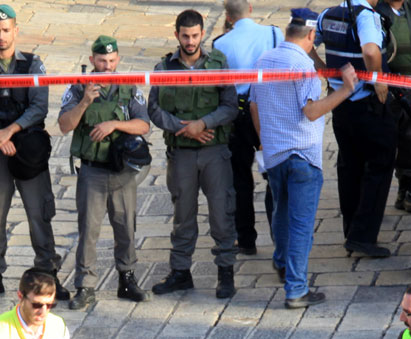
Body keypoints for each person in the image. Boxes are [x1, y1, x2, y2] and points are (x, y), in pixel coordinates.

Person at [250, 9, 357, 309]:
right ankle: (296, 289)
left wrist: (265, 141)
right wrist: (346, 90)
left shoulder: (264, 60)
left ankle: (282, 262)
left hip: (275, 155)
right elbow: (311, 111)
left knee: (280, 213)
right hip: (302, 157)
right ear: (311, 36)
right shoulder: (304, 67)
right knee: (300, 224)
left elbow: (254, 107)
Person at [0, 4, 69, 302]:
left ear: (16, 30)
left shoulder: (33, 65)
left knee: (39, 212)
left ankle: (48, 272)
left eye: (6, 30)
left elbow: (39, 107)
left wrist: (9, 131)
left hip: (27, 150)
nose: (1, 36)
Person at [148, 9, 240, 300]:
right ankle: (180, 272)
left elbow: (230, 105)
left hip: (214, 151)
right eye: (185, 36)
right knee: (182, 215)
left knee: (221, 215)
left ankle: (225, 272)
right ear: (176, 35)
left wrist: (203, 124)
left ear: (202, 34)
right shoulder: (164, 68)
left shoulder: (218, 64)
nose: (190, 41)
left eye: (195, 35)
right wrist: (184, 129)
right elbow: (154, 109)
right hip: (182, 153)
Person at [57, 35, 151, 311]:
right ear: (92, 61)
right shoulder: (77, 88)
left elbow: (143, 125)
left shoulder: (128, 87)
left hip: (123, 171)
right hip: (93, 171)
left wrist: (113, 124)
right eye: (101, 61)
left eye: (111, 61)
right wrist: (85, 102)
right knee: (88, 231)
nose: (107, 66)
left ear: (118, 59)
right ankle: (85, 286)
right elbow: (64, 125)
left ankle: (127, 278)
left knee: (126, 227)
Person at [315, 0, 398, 258]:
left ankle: (351, 229)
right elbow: (372, 51)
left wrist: (324, 70)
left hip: (341, 103)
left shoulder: (328, 15)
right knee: (380, 164)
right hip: (367, 103)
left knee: (349, 165)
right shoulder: (366, 16)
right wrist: (377, 80)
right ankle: (363, 237)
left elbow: (307, 43)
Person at [212, 0, 284, 254]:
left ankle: (246, 239)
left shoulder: (219, 44)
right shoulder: (274, 33)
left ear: (228, 18)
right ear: (250, 9)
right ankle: (280, 239)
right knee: (274, 176)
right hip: (268, 112)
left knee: (240, 180)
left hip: (237, 116)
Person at [376, 0, 411, 214]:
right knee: (382, 144)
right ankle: (373, 195)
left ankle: (407, 190)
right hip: (388, 88)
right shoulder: (374, 10)